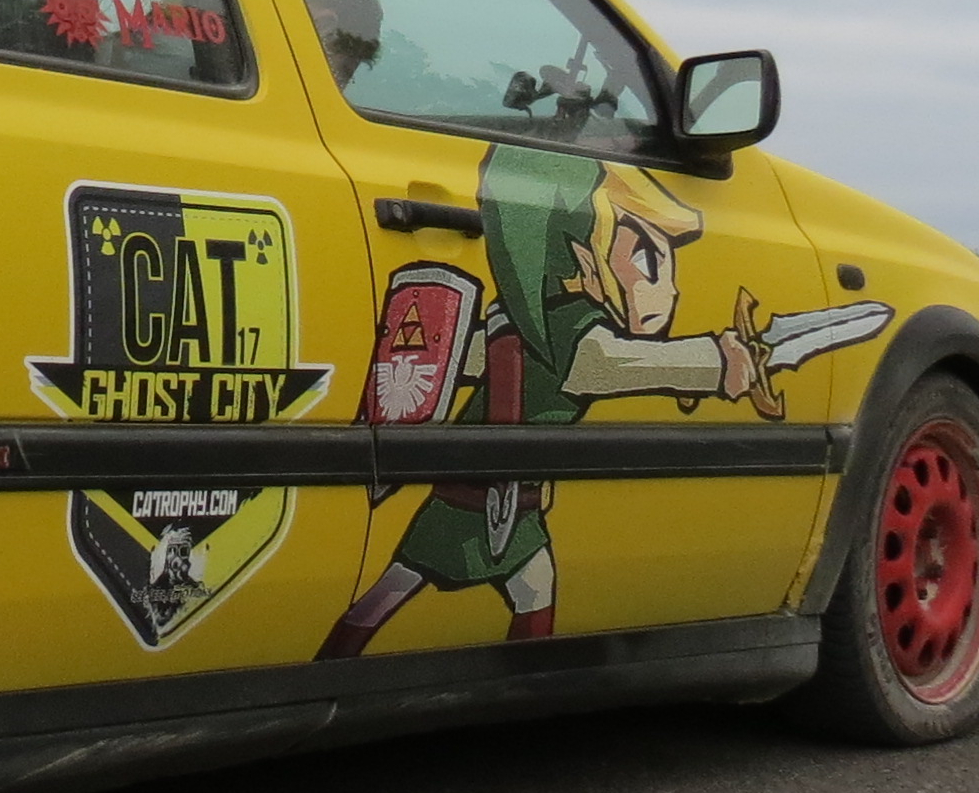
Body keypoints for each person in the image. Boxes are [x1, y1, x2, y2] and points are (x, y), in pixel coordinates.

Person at [321, 149, 770, 657]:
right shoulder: (567, 327)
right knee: (393, 591)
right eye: (647, 260)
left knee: (524, 590)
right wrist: (714, 361)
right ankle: (342, 664)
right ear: (583, 255)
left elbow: (462, 358)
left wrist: (691, 374)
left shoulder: (517, 318)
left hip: (519, 508)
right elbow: (606, 364)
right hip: (466, 503)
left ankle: (516, 678)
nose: (669, 290)